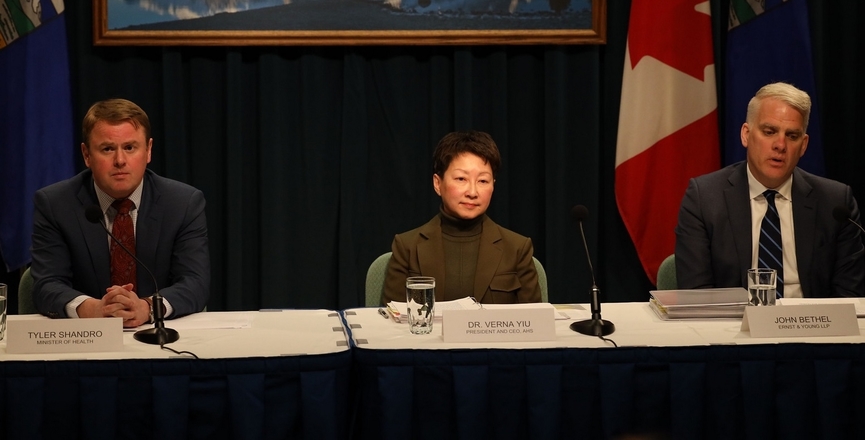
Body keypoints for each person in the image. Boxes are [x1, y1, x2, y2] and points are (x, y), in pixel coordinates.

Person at [31, 98, 210, 327]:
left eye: (129, 147)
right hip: (86, 337)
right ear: (87, 155)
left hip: (156, 334)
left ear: (148, 151)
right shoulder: (55, 204)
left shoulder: (183, 203)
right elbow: (46, 284)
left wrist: (147, 308)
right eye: (107, 149)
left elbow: (195, 282)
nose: (120, 161)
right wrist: (93, 309)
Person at [675, 82, 864, 297]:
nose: (780, 145)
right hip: (731, 327)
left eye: (792, 136)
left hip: (811, 326)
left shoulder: (835, 202)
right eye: (769, 131)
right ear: (746, 134)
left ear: (803, 146)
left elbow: (850, 297)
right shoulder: (704, 198)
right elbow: (697, 294)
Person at [383, 130, 541, 304]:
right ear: (438, 183)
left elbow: (533, 325)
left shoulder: (517, 248)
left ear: (493, 186)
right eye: (461, 179)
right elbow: (391, 324)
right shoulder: (407, 247)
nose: (472, 192)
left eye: (482, 181)